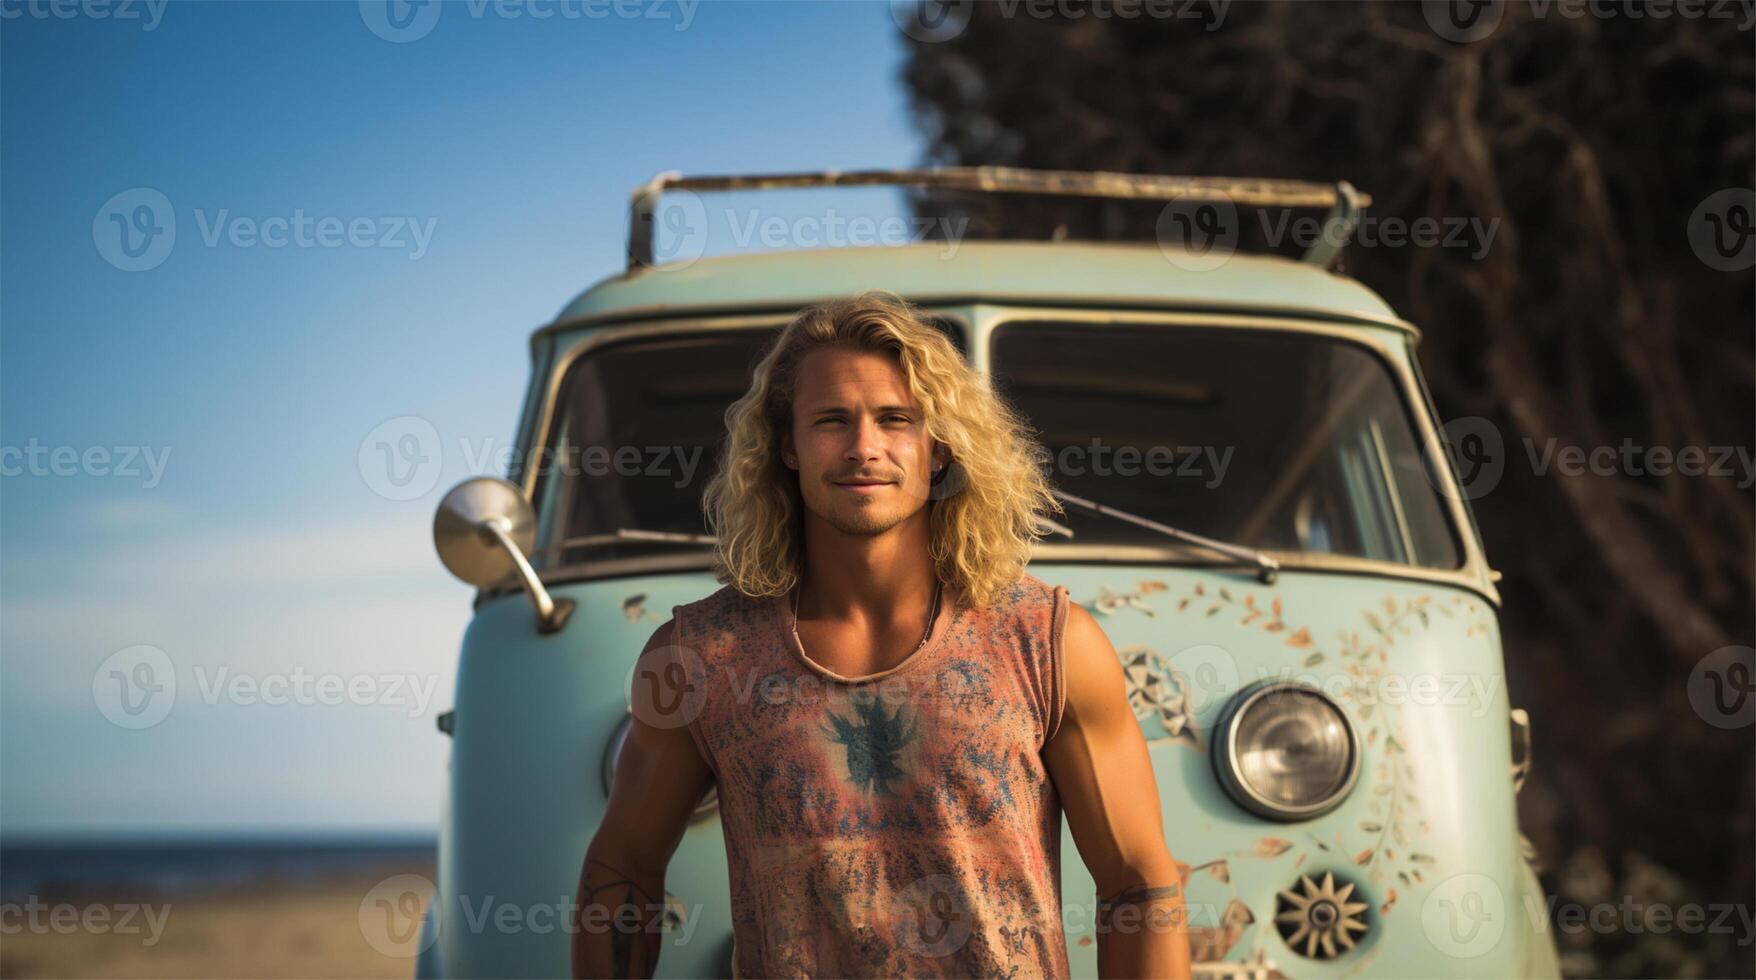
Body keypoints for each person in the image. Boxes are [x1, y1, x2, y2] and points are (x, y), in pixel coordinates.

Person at [572, 291, 1193, 979]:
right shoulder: (700, 659)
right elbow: (622, 871)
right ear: (788, 444)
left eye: (896, 420)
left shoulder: (1048, 643)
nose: (864, 447)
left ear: (937, 448)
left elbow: (1139, 883)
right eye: (832, 420)